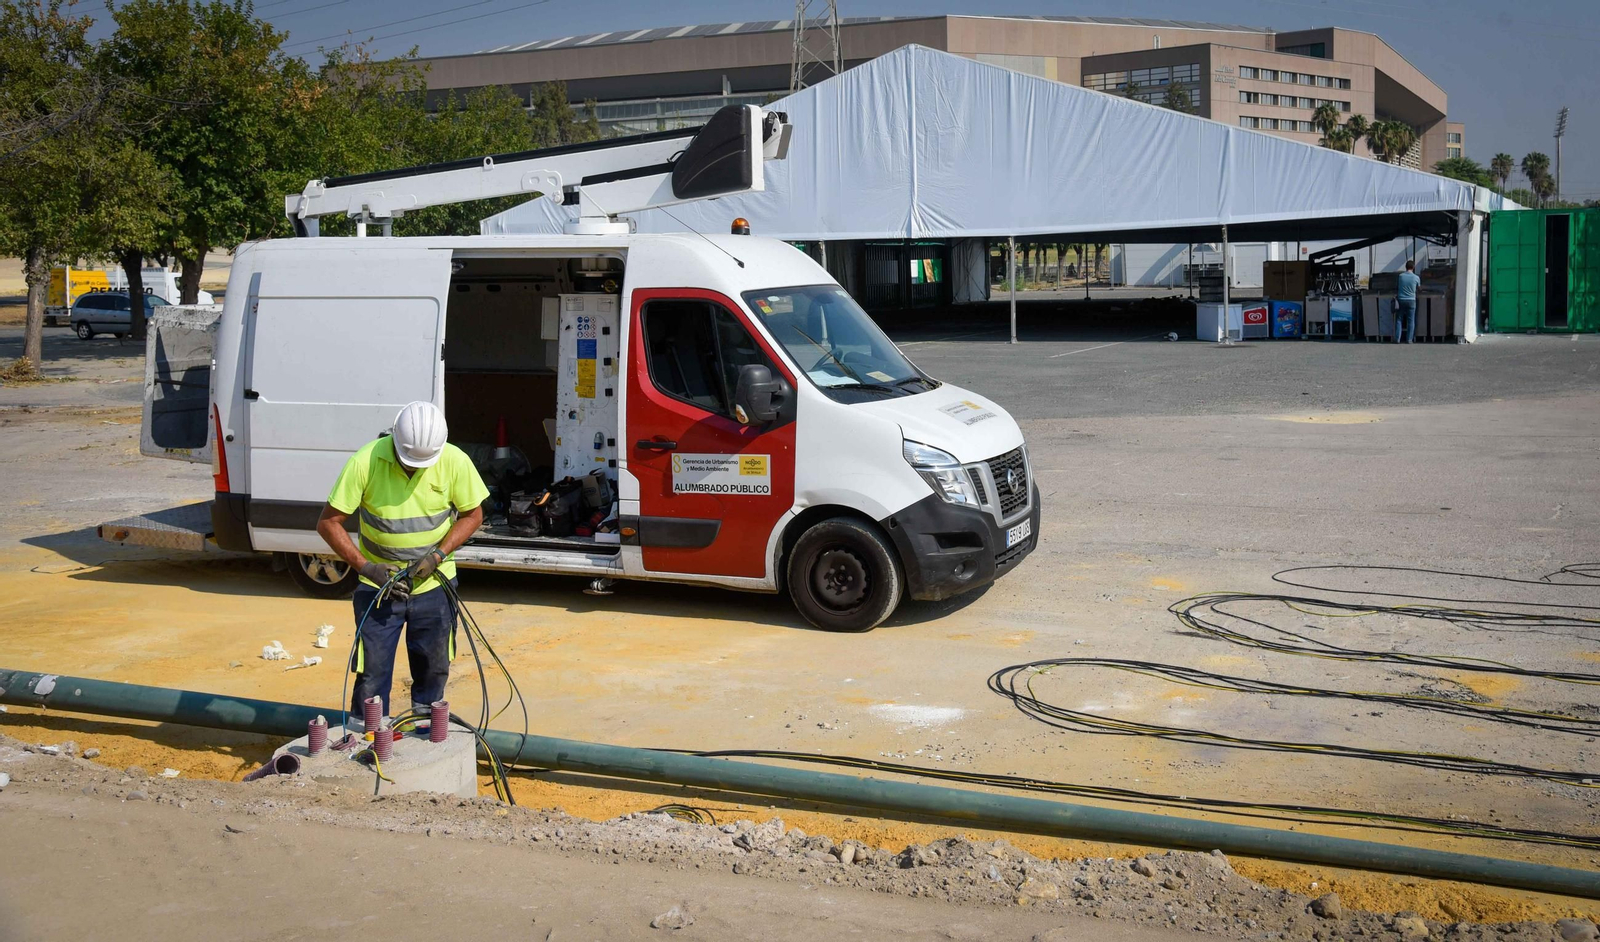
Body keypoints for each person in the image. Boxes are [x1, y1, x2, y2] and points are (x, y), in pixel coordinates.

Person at [315, 400, 489, 725]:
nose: (414, 469)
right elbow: (328, 523)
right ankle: (368, 736)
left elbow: (473, 514)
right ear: (394, 439)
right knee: (373, 670)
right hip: (377, 589)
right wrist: (367, 568)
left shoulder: (454, 461)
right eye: (409, 462)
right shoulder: (365, 461)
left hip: (435, 588)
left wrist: (437, 556)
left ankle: (426, 731)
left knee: (433, 665)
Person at [1395, 259, 1421, 344]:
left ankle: (1397, 339)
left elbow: (1398, 286)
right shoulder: (1416, 277)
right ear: (1413, 267)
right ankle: (1409, 339)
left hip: (1401, 300)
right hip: (1411, 300)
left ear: (1405, 267)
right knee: (1411, 320)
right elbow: (1419, 288)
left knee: (1399, 319)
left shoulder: (1401, 276)